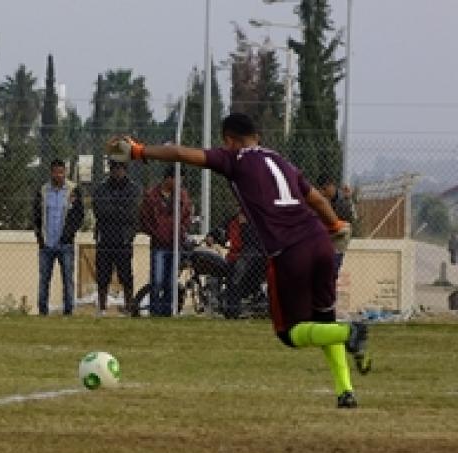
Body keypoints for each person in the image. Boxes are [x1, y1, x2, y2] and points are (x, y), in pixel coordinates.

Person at [107, 113, 371, 408]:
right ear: (257, 135)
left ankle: (351, 331)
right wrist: (335, 226)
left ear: (229, 140)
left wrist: (140, 151)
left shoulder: (235, 158)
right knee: (324, 319)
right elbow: (319, 201)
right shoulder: (282, 162)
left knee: (290, 333)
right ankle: (345, 391)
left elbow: (180, 153)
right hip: (320, 242)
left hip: (289, 251)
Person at [33, 159, 84, 316]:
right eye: (55, 172)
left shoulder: (73, 191)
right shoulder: (43, 191)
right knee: (44, 280)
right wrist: (40, 238)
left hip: (65, 244)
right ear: (51, 172)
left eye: (61, 172)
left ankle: (68, 310)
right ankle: (42, 310)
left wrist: (68, 235)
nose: (58, 175)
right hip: (47, 244)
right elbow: (36, 215)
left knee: (68, 280)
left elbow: (78, 216)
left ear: (65, 172)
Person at [140, 166, 191, 317]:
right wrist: (156, 233)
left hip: (176, 245)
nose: (179, 182)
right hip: (158, 245)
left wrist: (181, 230)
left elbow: (187, 216)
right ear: (168, 178)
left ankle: (168, 311)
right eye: (177, 178)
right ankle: (155, 311)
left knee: (170, 282)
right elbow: (145, 218)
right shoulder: (152, 196)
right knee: (157, 280)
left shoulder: (182, 196)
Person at [92, 159, 142, 316]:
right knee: (102, 274)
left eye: (120, 168)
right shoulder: (101, 188)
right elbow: (100, 210)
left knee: (126, 275)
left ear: (125, 169)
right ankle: (102, 308)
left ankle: (129, 306)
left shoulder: (133, 188)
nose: (117, 171)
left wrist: (113, 209)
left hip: (124, 238)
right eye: (114, 168)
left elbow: (132, 212)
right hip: (105, 237)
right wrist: (120, 208)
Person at [223, 210, 265, 319]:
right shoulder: (232, 219)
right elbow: (222, 231)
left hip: (251, 254)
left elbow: (252, 242)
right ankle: (227, 306)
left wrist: (244, 225)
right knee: (222, 271)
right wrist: (212, 236)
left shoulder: (254, 219)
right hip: (234, 255)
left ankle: (234, 309)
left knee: (237, 274)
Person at [317, 173, 356, 276]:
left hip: (337, 239)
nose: (322, 192)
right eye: (321, 189)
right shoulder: (320, 199)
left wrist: (348, 199)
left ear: (332, 186)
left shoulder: (344, 199)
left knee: (331, 273)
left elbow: (350, 220)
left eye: (325, 189)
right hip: (324, 239)